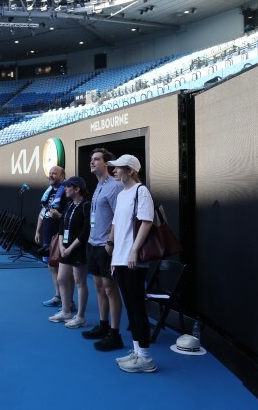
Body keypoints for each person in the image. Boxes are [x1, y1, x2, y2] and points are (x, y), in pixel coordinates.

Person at [107, 154, 157, 372]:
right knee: (130, 306)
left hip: (133, 260)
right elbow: (117, 227)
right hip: (121, 260)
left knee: (137, 308)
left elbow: (147, 221)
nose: (114, 171)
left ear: (131, 171)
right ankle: (137, 351)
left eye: (118, 168)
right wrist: (115, 258)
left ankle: (145, 357)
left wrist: (134, 251)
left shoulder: (141, 191)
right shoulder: (121, 195)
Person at [83, 148, 125, 352]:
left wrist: (110, 242)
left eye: (96, 159)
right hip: (94, 244)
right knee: (99, 286)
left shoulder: (115, 186)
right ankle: (103, 325)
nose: (92, 162)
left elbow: (120, 217)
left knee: (110, 289)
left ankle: (115, 334)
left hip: (106, 246)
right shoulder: (99, 186)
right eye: (91, 159)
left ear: (106, 164)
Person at [48, 176, 90, 328]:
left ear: (77, 189)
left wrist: (71, 247)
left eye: (67, 186)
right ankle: (66, 312)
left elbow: (86, 231)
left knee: (80, 282)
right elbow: (61, 227)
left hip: (78, 250)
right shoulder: (69, 205)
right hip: (65, 249)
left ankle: (81, 317)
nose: (65, 189)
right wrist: (61, 247)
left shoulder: (86, 205)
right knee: (61, 279)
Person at [35, 166, 69, 309]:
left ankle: (68, 301)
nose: (51, 175)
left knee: (63, 269)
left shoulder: (67, 192)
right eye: (50, 173)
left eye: (54, 173)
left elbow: (70, 216)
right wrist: (38, 231)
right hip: (48, 235)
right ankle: (57, 296)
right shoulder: (48, 192)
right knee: (51, 266)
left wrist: (59, 216)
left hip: (60, 235)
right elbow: (43, 212)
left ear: (62, 176)